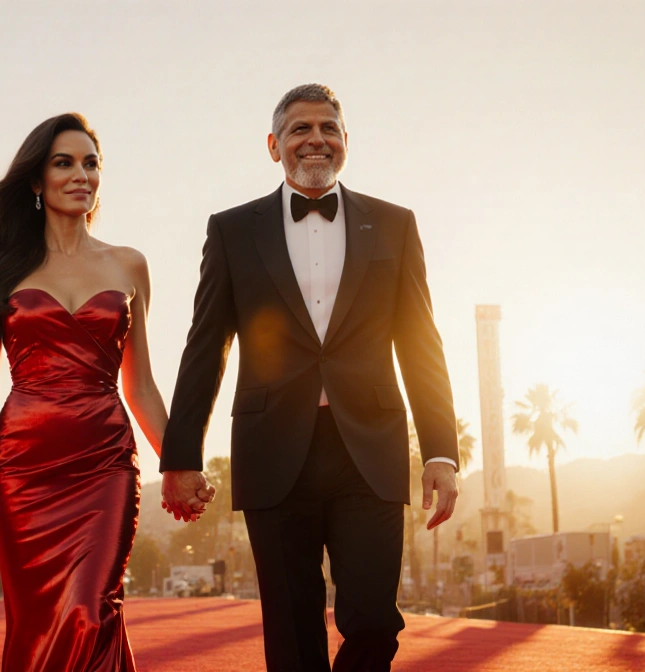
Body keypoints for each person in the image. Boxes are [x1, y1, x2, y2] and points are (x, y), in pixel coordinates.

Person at [160, 84, 461, 671]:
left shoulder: (395, 225)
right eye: (300, 128)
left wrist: (441, 452)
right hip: (273, 452)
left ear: (346, 142)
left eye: (328, 127)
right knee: (294, 635)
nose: (315, 138)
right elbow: (206, 344)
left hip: (368, 451)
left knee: (374, 621)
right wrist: (180, 455)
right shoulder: (231, 230)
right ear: (274, 145)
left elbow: (421, 342)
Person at [0, 113, 209, 671]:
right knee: (37, 627)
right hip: (22, 471)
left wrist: (180, 462)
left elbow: (140, 384)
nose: (81, 174)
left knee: (91, 611)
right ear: (36, 181)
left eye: (92, 163)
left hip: (104, 464)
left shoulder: (129, 264)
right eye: (64, 162)